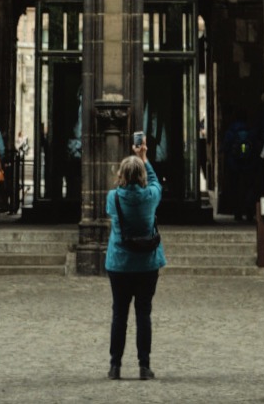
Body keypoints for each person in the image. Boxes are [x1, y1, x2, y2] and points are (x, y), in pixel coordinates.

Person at [104, 139, 166, 381]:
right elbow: (154, 182)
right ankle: (144, 365)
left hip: (119, 264)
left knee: (119, 314)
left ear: (121, 174)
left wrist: (135, 161)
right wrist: (144, 157)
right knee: (143, 314)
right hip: (147, 264)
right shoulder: (150, 197)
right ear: (140, 174)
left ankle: (115, 366)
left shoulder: (113, 198)